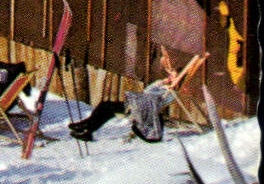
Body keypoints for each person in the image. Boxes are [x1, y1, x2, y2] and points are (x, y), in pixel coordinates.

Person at [69, 49, 206, 143]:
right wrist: (163, 82)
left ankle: (86, 127)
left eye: (173, 75)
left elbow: (156, 100)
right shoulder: (164, 85)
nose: (170, 76)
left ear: (177, 79)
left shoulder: (171, 92)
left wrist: (168, 86)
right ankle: (86, 127)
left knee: (107, 107)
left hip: (141, 108)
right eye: (170, 74)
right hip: (138, 103)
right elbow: (147, 90)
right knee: (106, 107)